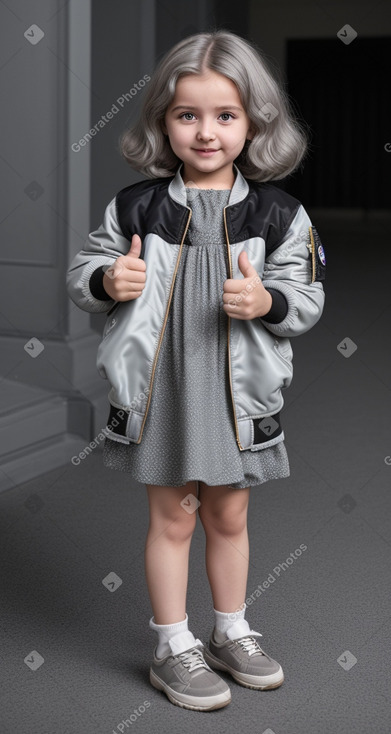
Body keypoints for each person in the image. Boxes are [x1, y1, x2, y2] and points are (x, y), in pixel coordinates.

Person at [66, 29, 326, 712]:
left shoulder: (279, 215)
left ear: (254, 122)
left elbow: (304, 299)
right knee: (173, 518)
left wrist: (266, 299)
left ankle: (231, 630)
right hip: (165, 392)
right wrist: (106, 278)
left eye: (224, 115)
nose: (205, 132)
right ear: (162, 122)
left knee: (230, 515)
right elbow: (84, 269)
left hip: (234, 396)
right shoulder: (134, 207)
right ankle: (171, 644)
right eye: (187, 115)